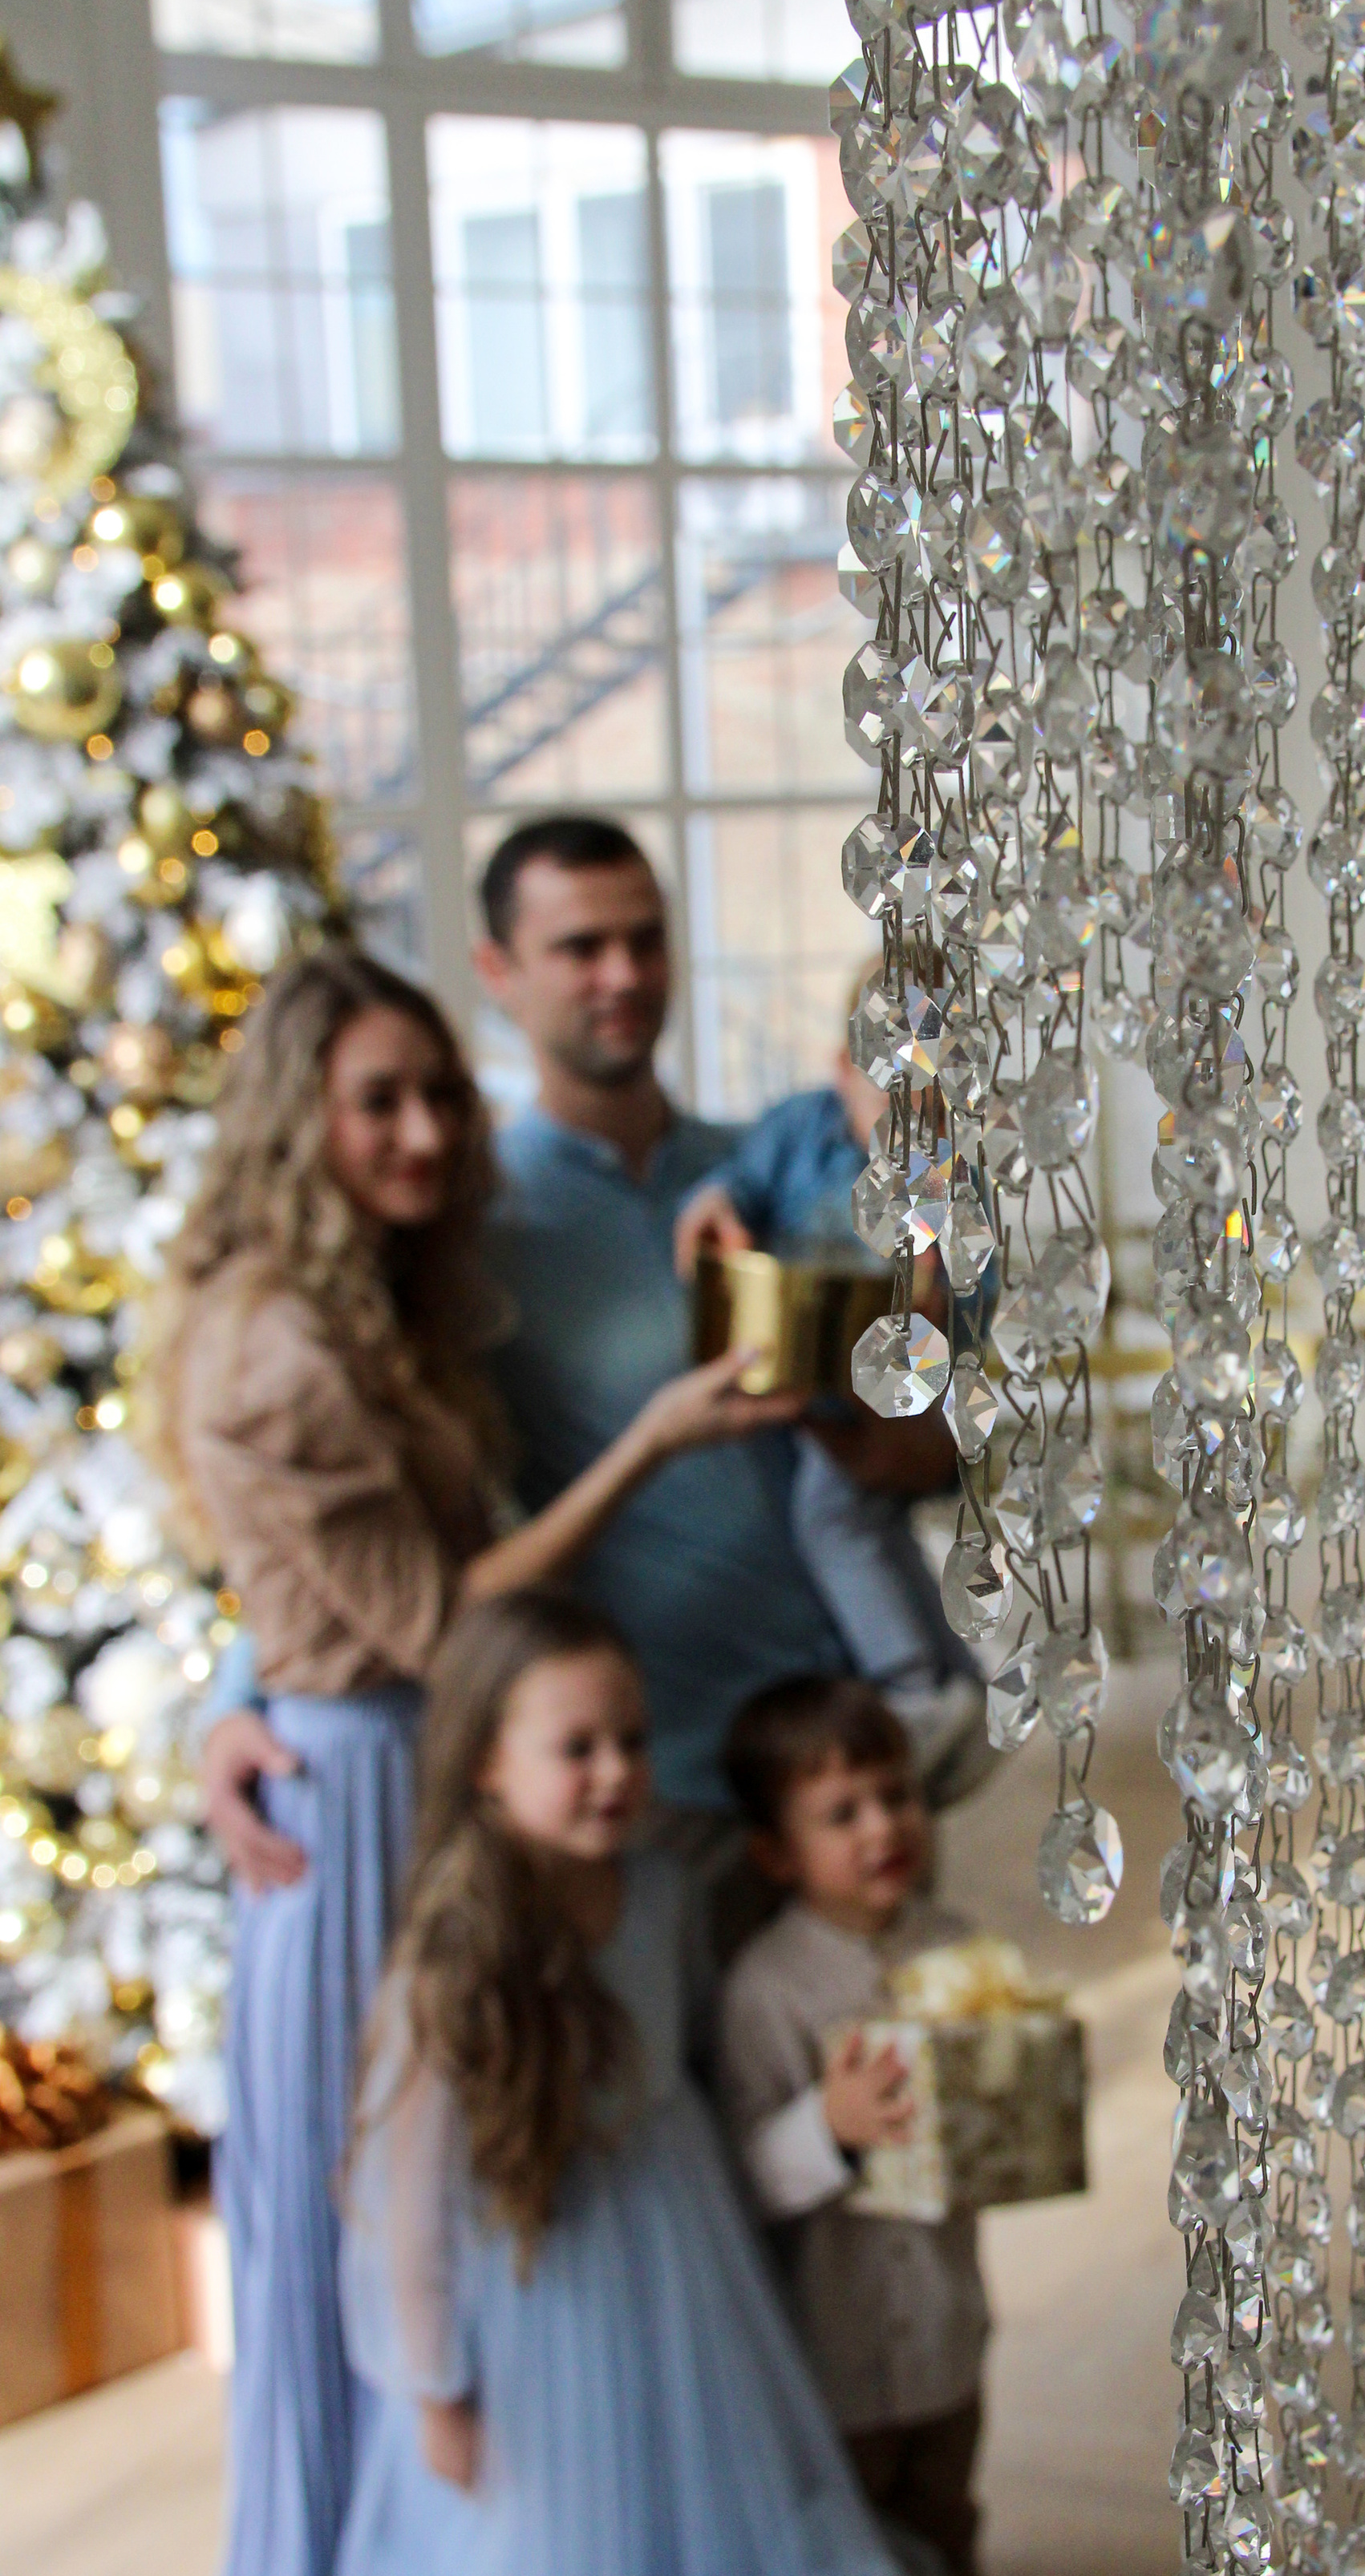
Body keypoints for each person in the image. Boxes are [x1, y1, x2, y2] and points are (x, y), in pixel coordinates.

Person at [146, 948, 784, 2576]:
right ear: (301, 1122)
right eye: (376, 1101)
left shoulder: (403, 1294)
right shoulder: (275, 1338)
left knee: (463, 2288)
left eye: (435, 1090)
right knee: (332, 2295)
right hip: (349, 1819)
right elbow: (440, 1631)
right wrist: (651, 1440)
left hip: (423, 1793)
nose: (422, 1131)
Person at [275, 1589, 1021, 2576]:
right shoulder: (454, 1945)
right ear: (488, 1764)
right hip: (540, 2294)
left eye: (630, 1739)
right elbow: (403, 2197)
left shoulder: (666, 1888)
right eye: (577, 1748)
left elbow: (686, 2060)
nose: (618, 1772)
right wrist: (434, 2382)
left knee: (729, 2550)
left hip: (682, 2267)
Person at [202, 814, 977, 1975]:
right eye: (579, 948)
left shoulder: (784, 1174)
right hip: (640, 1782)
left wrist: (897, 1444)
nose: (622, 975)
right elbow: (349, 1478)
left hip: (839, 1769)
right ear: (498, 973)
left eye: (645, 939)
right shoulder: (464, 1226)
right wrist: (236, 1693)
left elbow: (942, 1444)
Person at [717, 1676, 1058, 2576]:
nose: (884, 1829)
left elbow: (1002, 2137)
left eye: (897, 1797)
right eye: (844, 1813)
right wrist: (832, 2120)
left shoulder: (960, 1949)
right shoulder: (769, 1991)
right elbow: (749, 2179)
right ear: (774, 1852)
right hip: (836, 2357)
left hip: (949, 2338)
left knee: (952, 2548)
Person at [676, 988, 990, 1799]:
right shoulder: (795, 1132)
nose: (910, 1108)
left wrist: (941, 1308)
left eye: (936, 1086)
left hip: (881, 1404)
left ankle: (922, 1687)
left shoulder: (953, 1189)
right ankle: (936, 1684)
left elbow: (975, 1327)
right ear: (839, 1072)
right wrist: (711, 1210)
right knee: (854, 1527)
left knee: (851, 1519)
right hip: (797, 1373)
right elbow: (731, 1188)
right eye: (886, 1079)